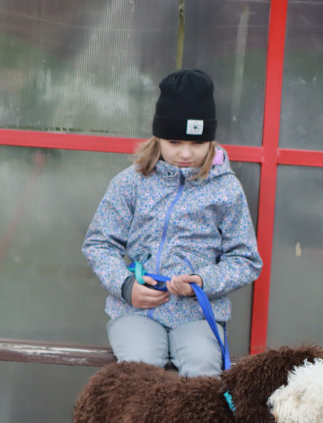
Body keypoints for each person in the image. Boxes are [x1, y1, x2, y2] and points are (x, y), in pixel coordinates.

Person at [83, 69, 262, 375]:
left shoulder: (226, 189)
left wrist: (204, 282)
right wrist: (126, 287)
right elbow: (100, 243)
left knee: (203, 366)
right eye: (175, 141)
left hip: (197, 316)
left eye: (197, 143)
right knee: (141, 369)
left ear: (210, 140)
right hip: (137, 310)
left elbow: (245, 260)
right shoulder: (131, 182)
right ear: (158, 137)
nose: (185, 153)